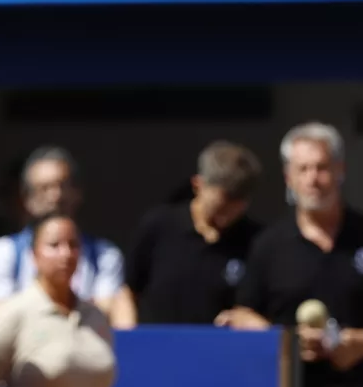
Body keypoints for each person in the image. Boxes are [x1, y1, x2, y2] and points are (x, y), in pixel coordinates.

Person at [219, 122, 363, 387]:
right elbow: (243, 315)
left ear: (340, 170)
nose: (313, 179)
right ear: (289, 177)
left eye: (322, 167)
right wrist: (288, 341)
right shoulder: (268, 244)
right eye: (303, 169)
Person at [111, 140, 264, 329]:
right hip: (159, 349)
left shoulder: (255, 241)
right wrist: (129, 338)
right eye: (222, 202)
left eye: (238, 203)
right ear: (198, 185)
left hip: (222, 352)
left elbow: (256, 309)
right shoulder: (160, 226)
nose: (229, 212)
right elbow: (127, 291)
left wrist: (243, 318)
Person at [0, 212, 117, 387]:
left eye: (73, 245)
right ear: (33, 254)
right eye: (54, 245)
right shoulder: (10, 314)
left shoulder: (95, 315)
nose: (66, 254)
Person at [0, 146, 123, 315]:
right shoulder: (3, 253)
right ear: (26, 199)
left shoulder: (104, 256)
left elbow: (105, 320)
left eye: (63, 186)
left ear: (78, 193)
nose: (55, 196)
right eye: (44, 188)